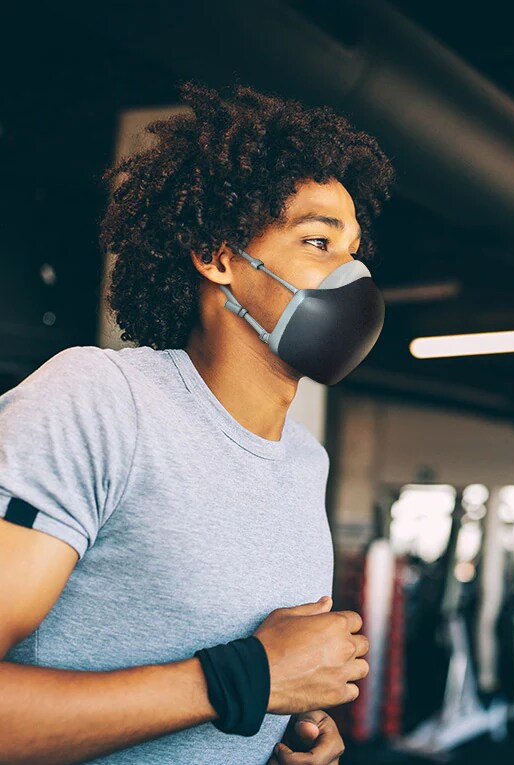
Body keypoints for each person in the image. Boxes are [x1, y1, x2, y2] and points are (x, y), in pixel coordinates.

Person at [0, 82, 394, 764]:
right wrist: (244, 682)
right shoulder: (100, 403)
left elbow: (254, 681)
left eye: (355, 250)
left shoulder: (306, 461)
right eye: (319, 242)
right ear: (219, 257)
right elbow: (249, 673)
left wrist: (278, 731)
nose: (353, 274)